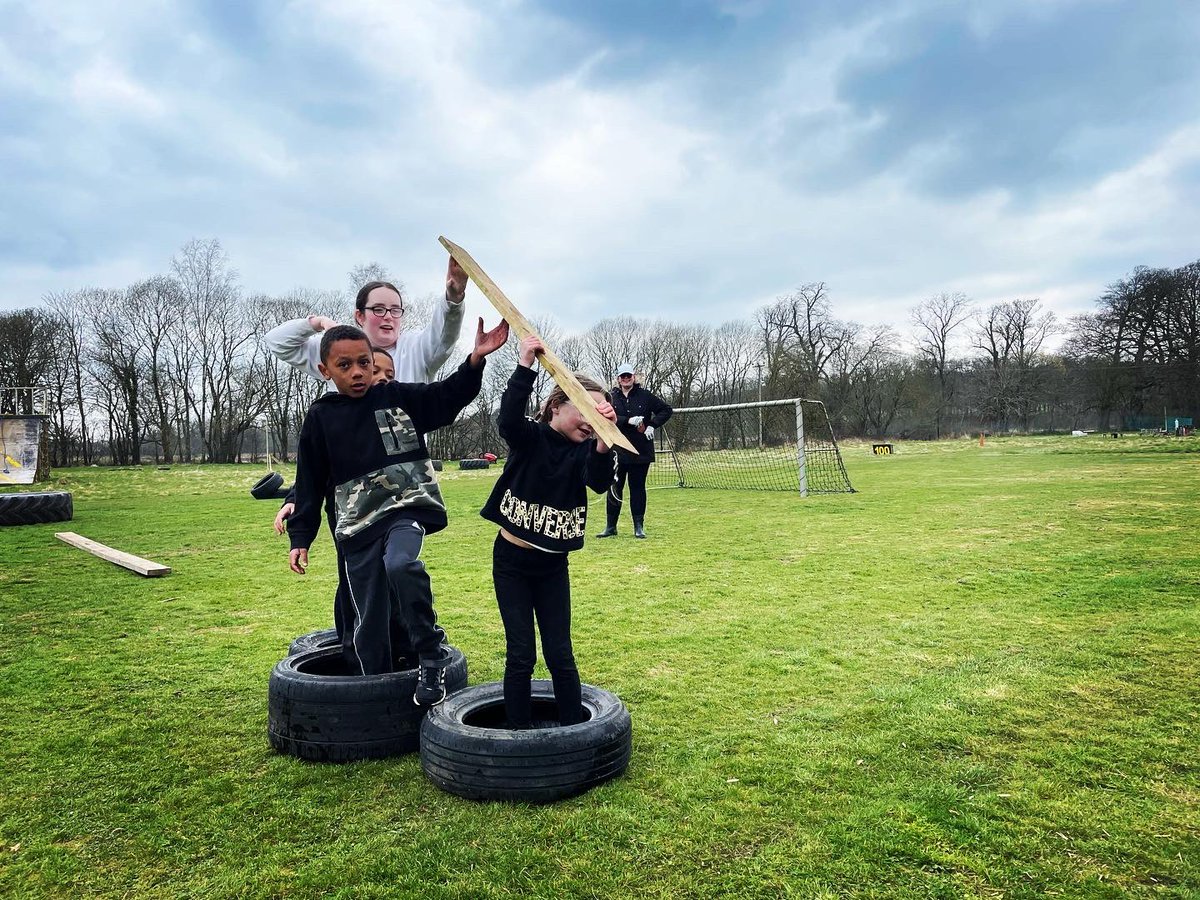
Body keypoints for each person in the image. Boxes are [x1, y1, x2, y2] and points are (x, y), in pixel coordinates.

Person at [288, 318, 510, 704]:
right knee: (369, 615)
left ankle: (430, 653)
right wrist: (300, 537)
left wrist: (474, 360)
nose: (358, 373)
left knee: (401, 566)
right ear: (325, 371)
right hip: (357, 526)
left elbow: (447, 396)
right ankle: (372, 689)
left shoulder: (397, 398)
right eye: (345, 366)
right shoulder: (321, 417)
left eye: (364, 363)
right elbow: (308, 481)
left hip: (404, 509)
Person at [267, 259, 468, 653]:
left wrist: (453, 297)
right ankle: (358, 653)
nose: (388, 316)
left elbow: (444, 339)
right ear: (359, 317)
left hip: (400, 488)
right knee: (358, 581)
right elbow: (321, 455)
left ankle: (412, 646)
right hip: (351, 499)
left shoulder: (414, 350)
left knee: (398, 568)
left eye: (396, 308)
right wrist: (316, 323)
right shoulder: (343, 351)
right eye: (378, 309)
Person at [479, 336, 617, 728]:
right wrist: (525, 365)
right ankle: (518, 732)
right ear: (556, 405)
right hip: (512, 562)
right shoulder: (531, 439)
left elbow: (597, 480)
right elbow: (507, 420)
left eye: (597, 416)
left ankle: (573, 730)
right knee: (521, 652)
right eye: (584, 410)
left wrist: (606, 441)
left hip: (553, 568)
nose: (590, 421)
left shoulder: (584, 451)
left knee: (560, 652)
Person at [597, 362, 673, 539]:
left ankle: (639, 527)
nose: (626, 379)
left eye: (628, 376)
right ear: (618, 379)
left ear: (634, 377)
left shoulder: (645, 396)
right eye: (622, 376)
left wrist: (652, 425)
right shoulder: (610, 397)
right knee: (615, 487)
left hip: (641, 450)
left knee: (637, 488)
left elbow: (666, 410)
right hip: (617, 449)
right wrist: (626, 421)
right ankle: (610, 526)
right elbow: (602, 416)